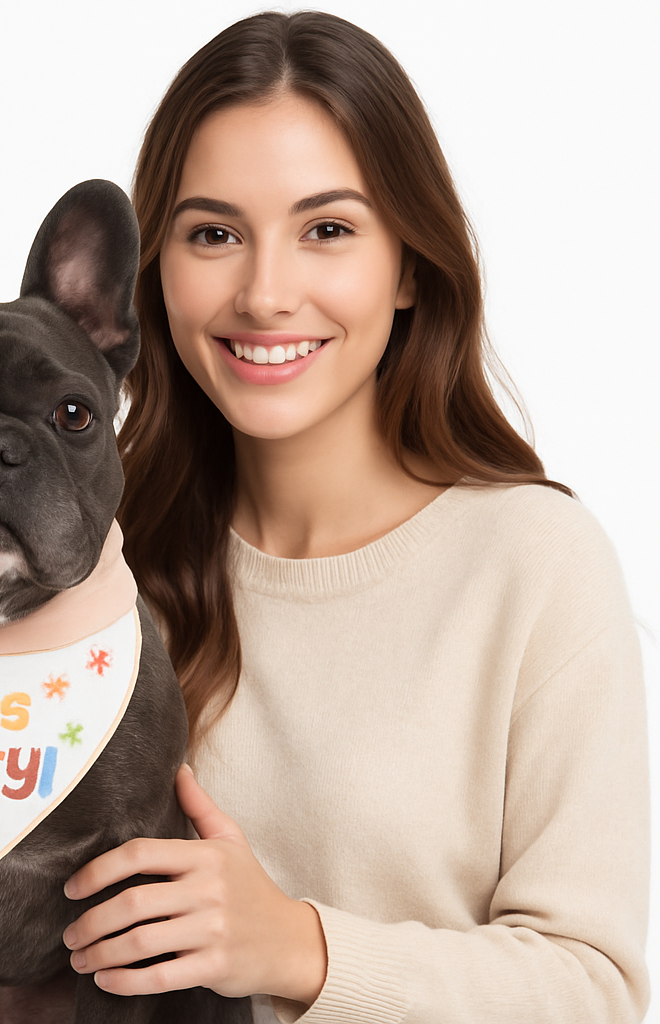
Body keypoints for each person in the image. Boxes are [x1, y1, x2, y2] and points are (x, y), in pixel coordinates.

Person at [60, 11, 650, 1024]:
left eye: (326, 229)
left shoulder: (531, 564)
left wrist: (295, 945)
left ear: (410, 264)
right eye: (213, 234)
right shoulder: (91, 570)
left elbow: (595, 987)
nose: (265, 291)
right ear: (149, 272)